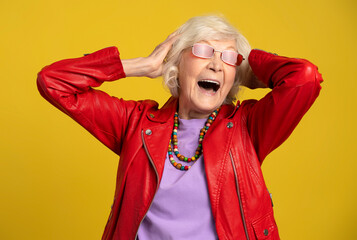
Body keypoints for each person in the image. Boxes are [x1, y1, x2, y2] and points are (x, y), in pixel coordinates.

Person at [37, 15, 323, 240]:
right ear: (177, 61)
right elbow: (53, 82)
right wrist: (139, 65)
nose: (216, 65)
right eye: (203, 51)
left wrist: (253, 66)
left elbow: (304, 78)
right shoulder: (135, 123)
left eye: (228, 57)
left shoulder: (247, 127)